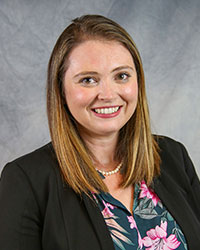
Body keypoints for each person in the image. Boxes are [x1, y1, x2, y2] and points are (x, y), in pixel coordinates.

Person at [0, 14, 199, 250]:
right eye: (88, 80)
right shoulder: (26, 181)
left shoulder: (172, 155)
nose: (107, 94)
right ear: (61, 91)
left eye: (121, 76)